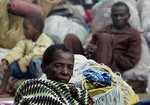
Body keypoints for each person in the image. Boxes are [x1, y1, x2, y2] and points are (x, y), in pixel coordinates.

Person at [64, 1, 141, 73]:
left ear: (128, 16)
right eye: (116, 15)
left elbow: (130, 62)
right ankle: (66, 72)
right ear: (111, 16)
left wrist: (105, 51)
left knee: (105, 38)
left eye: (122, 15)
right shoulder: (103, 30)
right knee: (71, 38)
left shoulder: (133, 34)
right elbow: (90, 48)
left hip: (110, 67)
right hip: (91, 62)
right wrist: (89, 51)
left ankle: (101, 77)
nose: (119, 18)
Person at [14, 44, 93, 105]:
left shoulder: (80, 95)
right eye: (58, 66)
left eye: (70, 67)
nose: (65, 72)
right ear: (44, 67)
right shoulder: (33, 87)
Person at [0, 14, 54, 95]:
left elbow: (37, 54)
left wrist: (23, 61)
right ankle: (3, 89)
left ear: (36, 29)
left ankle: (43, 86)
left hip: (38, 70)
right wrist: (6, 60)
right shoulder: (25, 40)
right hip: (25, 69)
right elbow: (17, 50)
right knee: (10, 65)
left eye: (26, 29)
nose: (24, 31)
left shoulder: (46, 41)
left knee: (35, 61)